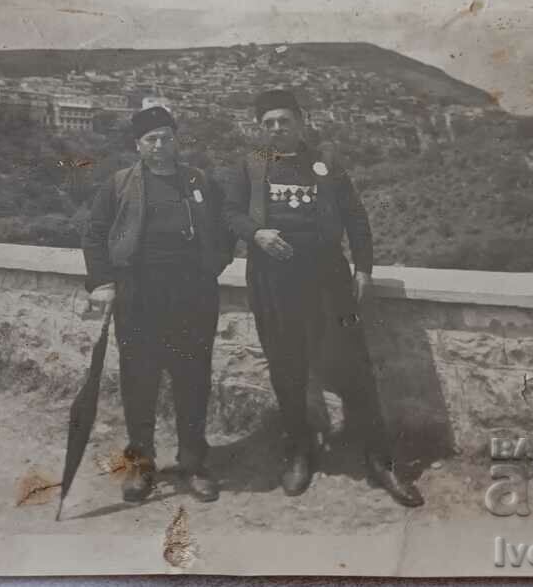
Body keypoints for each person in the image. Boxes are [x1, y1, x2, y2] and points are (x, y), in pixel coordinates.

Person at [222, 89, 424, 507]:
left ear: (301, 121)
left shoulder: (326, 163)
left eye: (284, 120)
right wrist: (255, 233)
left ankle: (380, 459)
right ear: (260, 128)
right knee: (286, 368)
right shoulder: (250, 165)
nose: (277, 128)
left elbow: (356, 216)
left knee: (354, 368)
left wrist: (363, 268)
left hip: (327, 278)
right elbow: (229, 212)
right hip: (272, 281)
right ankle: (299, 452)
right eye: (269, 123)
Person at [82, 106, 230, 504]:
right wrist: (103, 283)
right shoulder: (118, 185)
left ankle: (194, 463)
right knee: (139, 383)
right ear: (138, 144)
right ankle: (141, 465)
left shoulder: (201, 183)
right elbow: (94, 235)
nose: (160, 146)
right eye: (151, 139)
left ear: (177, 140)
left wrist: (209, 268)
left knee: (192, 382)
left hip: (192, 297)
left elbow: (225, 232)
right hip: (138, 297)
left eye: (167, 137)